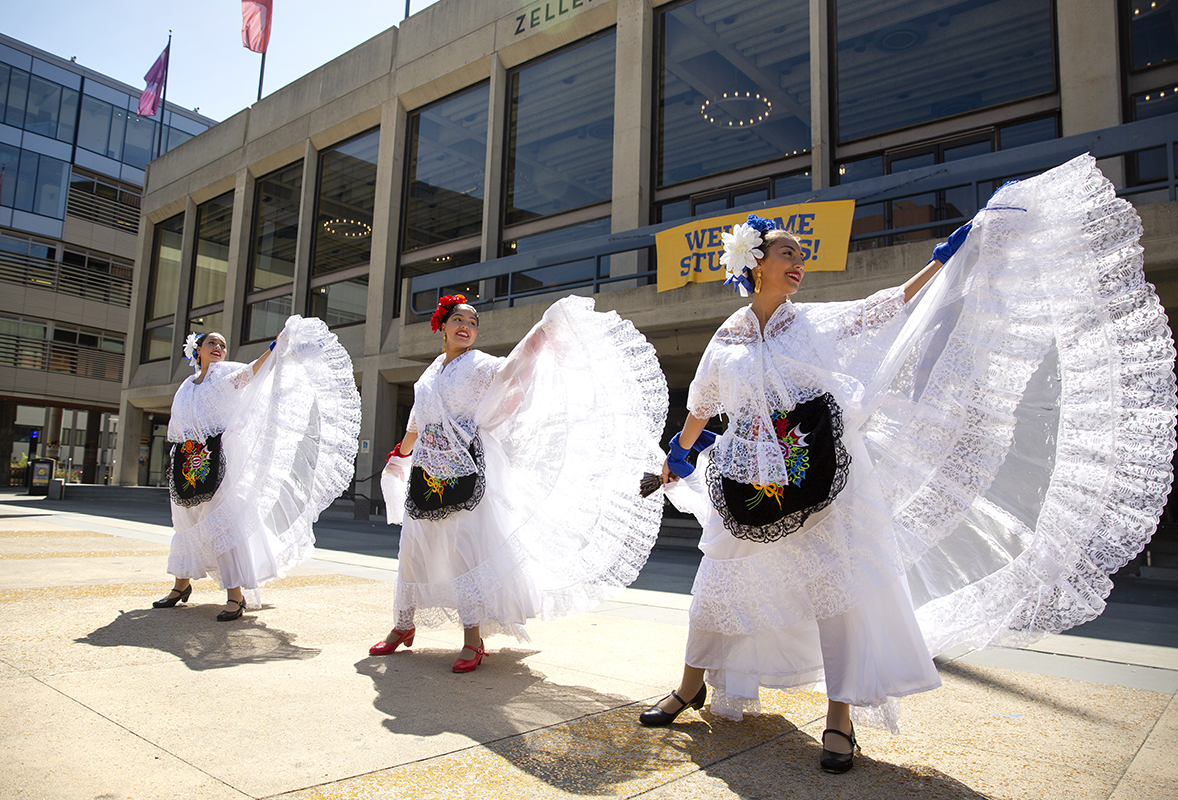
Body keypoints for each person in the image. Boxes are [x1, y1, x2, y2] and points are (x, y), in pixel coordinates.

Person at [641, 154, 1177, 775]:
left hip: (816, 482)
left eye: (800, 257)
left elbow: (887, 306)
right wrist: (676, 460)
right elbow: (702, 405)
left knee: (836, 595)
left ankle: (839, 723)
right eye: (789, 255)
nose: (800, 265)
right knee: (714, 587)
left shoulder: (812, 324)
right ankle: (690, 686)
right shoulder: (727, 336)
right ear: (755, 262)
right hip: (746, 487)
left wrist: (944, 261)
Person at [372, 294, 667, 672]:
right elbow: (418, 420)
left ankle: (472, 640)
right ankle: (402, 625)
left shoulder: (478, 365)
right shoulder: (431, 372)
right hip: (427, 471)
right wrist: (400, 456)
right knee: (413, 548)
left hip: (465, 472)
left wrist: (538, 337)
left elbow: (510, 374)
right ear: (442, 326)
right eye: (459, 320)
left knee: (465, 549)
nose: (467, 327)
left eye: (473, 323)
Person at [151, 317, 361, 620]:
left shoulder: (225, 373)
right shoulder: (186, 386)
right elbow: (177, 425)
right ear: (196, 350)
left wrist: (273, 349)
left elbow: (249, 374)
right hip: (187, 461)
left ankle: (235, 596)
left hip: (217, 461)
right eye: (212, 342)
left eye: (222, 344)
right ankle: (180, 585)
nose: (219, 347)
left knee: (222, 523)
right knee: (186, 520)